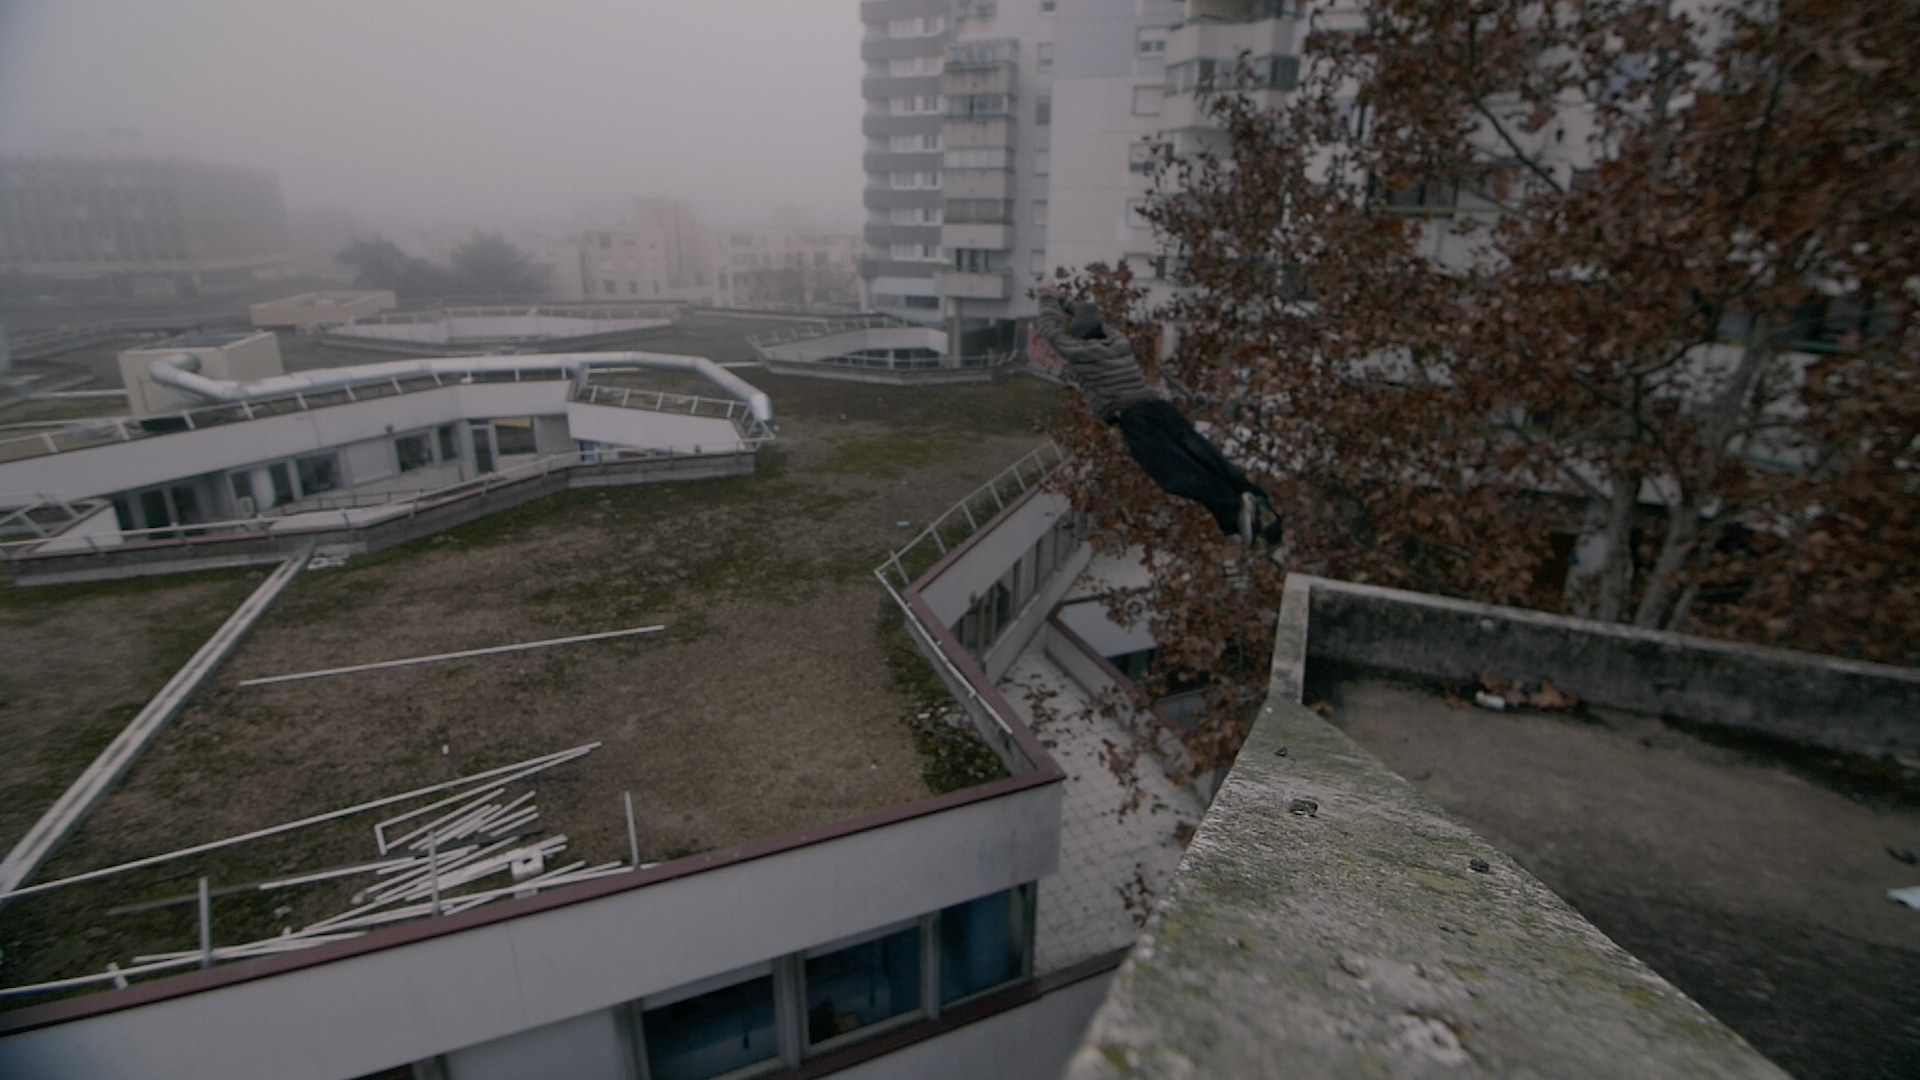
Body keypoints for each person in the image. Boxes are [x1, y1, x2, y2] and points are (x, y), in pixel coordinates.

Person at [1034, 288, 1283, 547]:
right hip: (1160, 407)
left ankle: (1233, 508)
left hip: (1135, 417)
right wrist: (1067, 303)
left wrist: (1047, 298)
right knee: (1203, 457)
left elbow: (1050, 330)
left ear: (1078, 339)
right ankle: (1247, 501)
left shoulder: (1080, 352)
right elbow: (1091, 317)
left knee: (1174, 474)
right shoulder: (1118, 342)